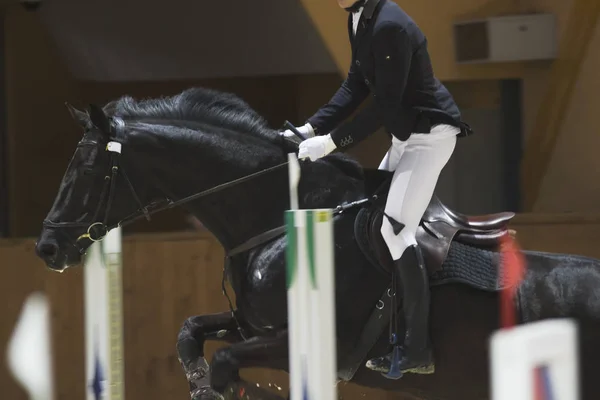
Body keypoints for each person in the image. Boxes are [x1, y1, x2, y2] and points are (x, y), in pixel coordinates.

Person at [281, 0, 473, 379]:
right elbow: (355, 84)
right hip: (405, 135)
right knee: (365, 217)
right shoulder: (359, 19)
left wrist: (331, 143)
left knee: (394, 229)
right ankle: (381, 331)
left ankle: (419, 348)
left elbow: (384, 105)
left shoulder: (389, 26)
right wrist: (310, 128)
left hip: (429, 138)